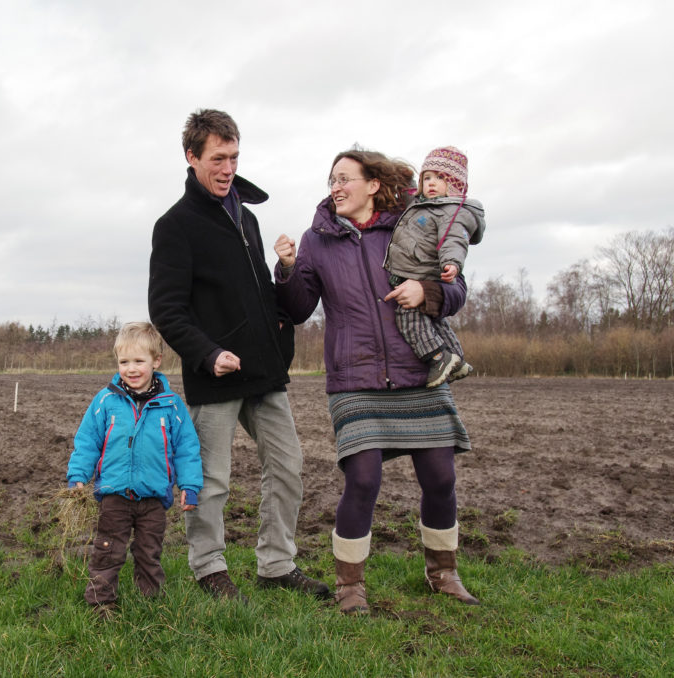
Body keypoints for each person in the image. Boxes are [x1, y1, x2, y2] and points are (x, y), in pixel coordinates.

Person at [273, 146, 479, 615]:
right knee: (362, 479)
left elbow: (456, 289)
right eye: (332, 181)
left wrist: (424, 290)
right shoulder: (317, 239)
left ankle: (443, 573)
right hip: (354, 376)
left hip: (418, 369)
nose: (336, 187)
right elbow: (300, 307)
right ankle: (350, 586)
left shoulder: (413, 223)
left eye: (346, 178)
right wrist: (286, 269)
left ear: (373, 184)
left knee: (441, 477)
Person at [148, 108, 329, 602]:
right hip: (216, 375)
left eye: (234, 157)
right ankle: (209, 568)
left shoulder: (246, 217)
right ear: (191, 158)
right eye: (218, 158)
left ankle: (276, 564)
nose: (228, 168)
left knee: (289, 466)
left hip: (264, 371)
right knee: (212, 480)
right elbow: (165, 309)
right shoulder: (175, 226)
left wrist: (286, 271)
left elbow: (261, 297)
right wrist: (208, 354)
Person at [66, 322, 203, 615]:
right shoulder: (106, 401)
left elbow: (187, 448)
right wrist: (78, 475)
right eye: (124, 361)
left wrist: (190, 487)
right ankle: (101, 602)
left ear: (156, 361)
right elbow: (88, 440)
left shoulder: (171, 405)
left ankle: (149, 601)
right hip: (114, 492)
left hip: (153, 496)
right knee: (108, 549)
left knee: (148, 552)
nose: (131, 369)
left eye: (139, 361)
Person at [384, 146, 486, 387]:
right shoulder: (425, 203)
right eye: (427, 177)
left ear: (455, 184)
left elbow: (454, 240)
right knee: (435, 321)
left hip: (421, 273)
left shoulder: (452, 212)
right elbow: (409, 195)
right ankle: (457, 359)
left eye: (440, 178)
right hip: (417, 269)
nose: (431, 183)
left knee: (408, 318)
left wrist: (452, 264)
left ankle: (438, 357)